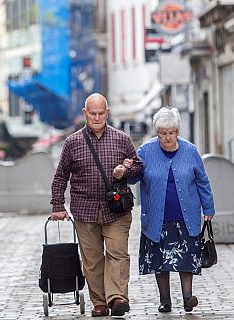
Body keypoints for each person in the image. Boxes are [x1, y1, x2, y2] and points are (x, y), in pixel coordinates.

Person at [50, 93, 143, 317]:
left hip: (117, 211)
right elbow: (60, 175)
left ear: (107, 113)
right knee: (92, 260)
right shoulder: (73, 142)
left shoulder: (122, 139)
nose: (97, 117)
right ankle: (99, 302)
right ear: (85, 114)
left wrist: (126, 170)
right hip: (85, 210)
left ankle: (117, 298)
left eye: (101, 113)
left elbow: (139, 167)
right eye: (93, 113)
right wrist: (57, 204)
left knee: (118, 254)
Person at [127, 107, 215, 313]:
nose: (167, 138)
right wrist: (127, 169)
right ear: (157, 133)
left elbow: (203, 181)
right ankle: (165, 300)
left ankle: (187, 297)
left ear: (177, 131)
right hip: (157, 218)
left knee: (185, 260)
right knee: (160, 262)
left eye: (171, 132)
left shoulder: (190, 151)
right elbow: (133, 179)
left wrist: (208, 207)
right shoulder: (146, 151)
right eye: (162, 133)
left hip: (186, 217)